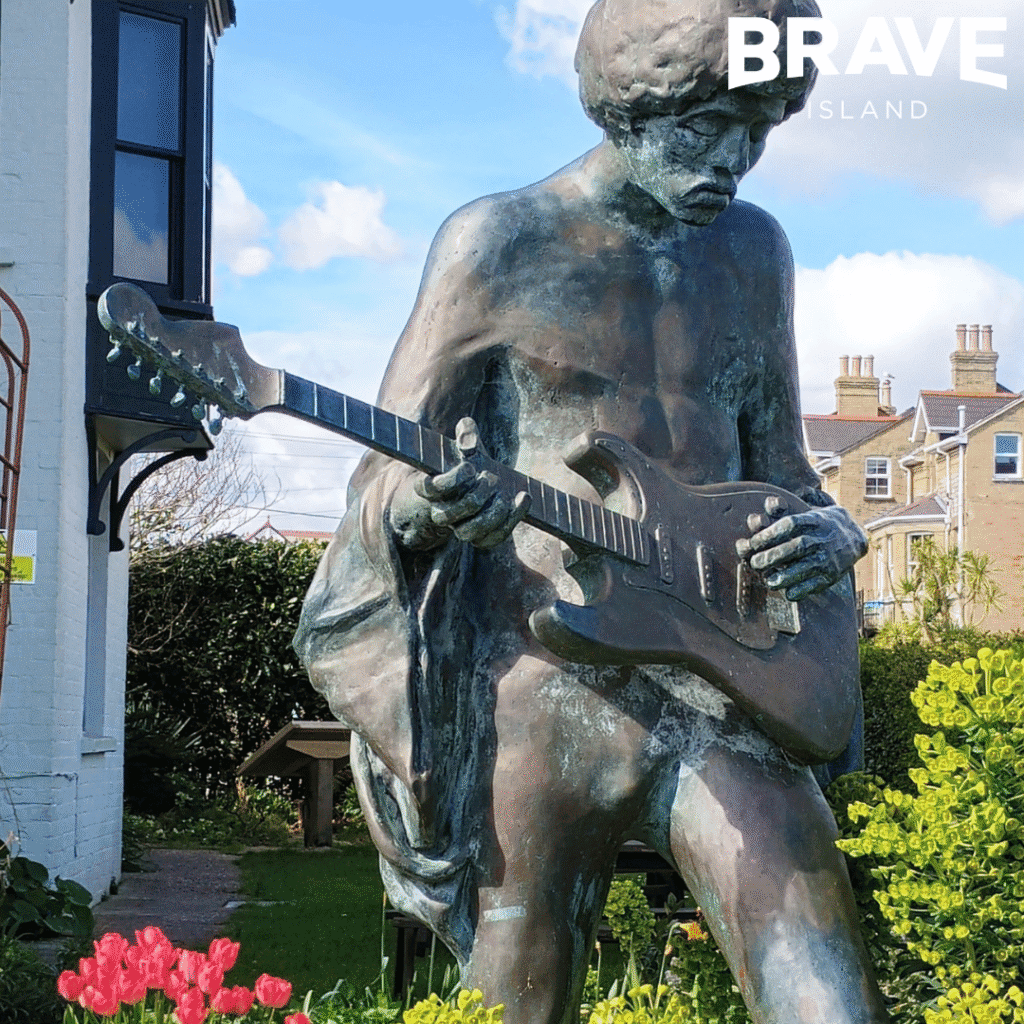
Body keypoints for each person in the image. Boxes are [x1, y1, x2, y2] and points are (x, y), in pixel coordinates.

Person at [294, 0, 888, 1021]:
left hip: (721, 684)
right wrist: (431, 508)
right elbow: (386, 480)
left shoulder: (753, 253)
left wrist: (834, 530)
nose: (732, 161)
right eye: (706, 127)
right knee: (518, 995)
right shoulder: (498, 241)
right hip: (538, 675)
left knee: (826, 992)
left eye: (759, 128)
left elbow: (785, 468)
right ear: (627, 103)